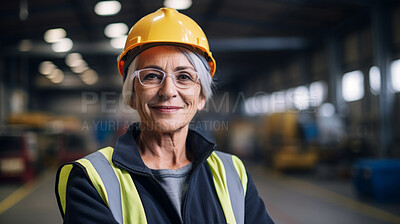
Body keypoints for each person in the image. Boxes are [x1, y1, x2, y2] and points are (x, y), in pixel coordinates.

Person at [55, 7, 274, 224]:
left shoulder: (233, 173)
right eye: (151, 76)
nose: (168, 91)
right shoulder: (92, 180)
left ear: (201, 97)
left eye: (185, 77)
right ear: (131, 95)